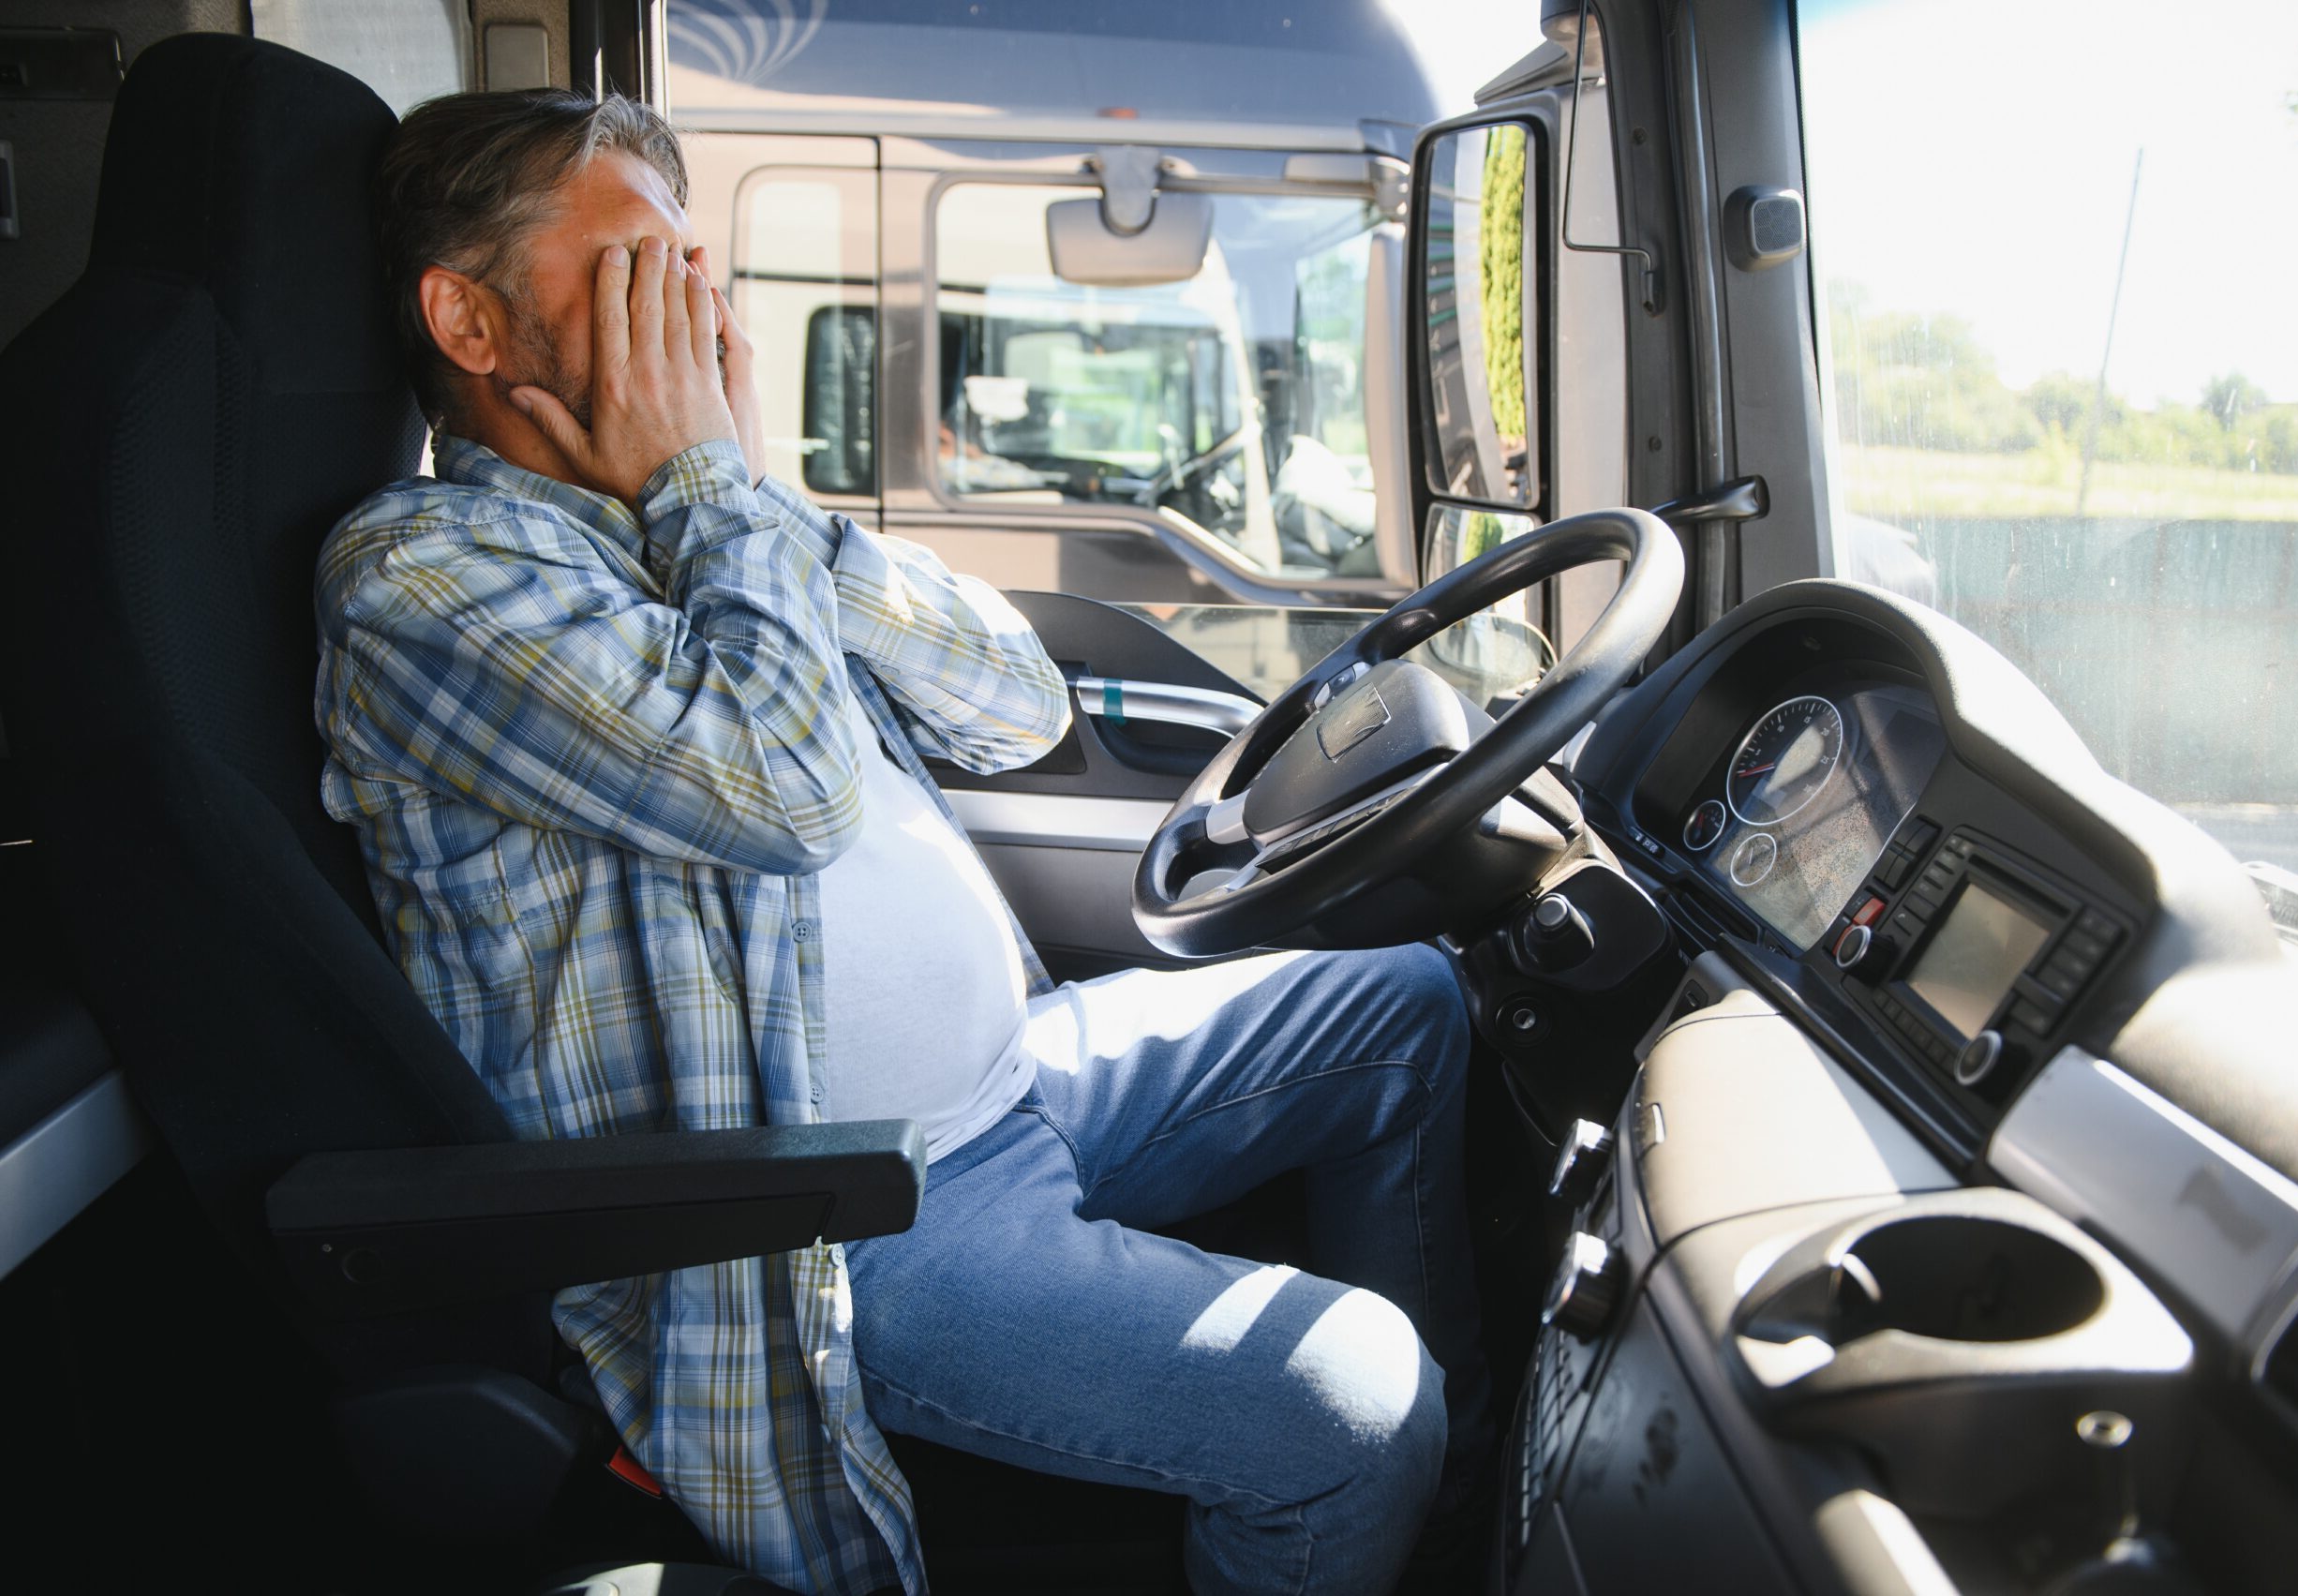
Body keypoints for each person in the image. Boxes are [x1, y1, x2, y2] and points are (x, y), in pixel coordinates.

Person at [314, 88, 1490, 1596]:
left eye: (695, 267)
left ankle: (1432, 1509)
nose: (692, 311)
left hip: (1020, 1079)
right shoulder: (423, 582)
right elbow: (788, 797)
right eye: (633, 271)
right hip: (837, 1219)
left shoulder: (705, 527)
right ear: (468, 325)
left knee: (1401, 1001)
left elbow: (1015, 702)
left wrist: (751, 510)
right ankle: (1376, 1479)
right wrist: (711, 490)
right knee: (1351, 1401)